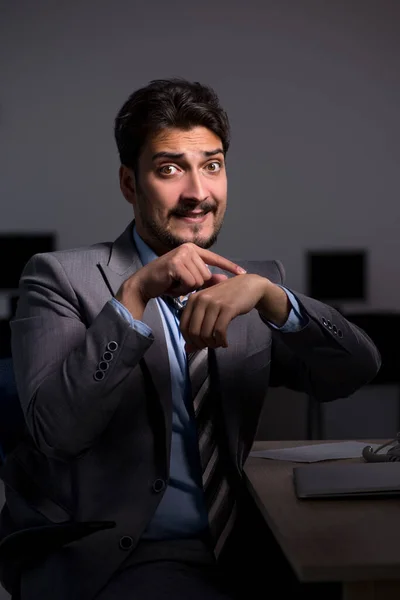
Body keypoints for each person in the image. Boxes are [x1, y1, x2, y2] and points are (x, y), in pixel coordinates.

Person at [0, 78, 380, 600]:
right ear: (130, 184)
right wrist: (132, 298)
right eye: (169, 169)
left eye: (212, 165)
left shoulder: (251, 284)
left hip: (249, 547)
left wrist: (274, 298)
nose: (198, 192)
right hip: (119, 559)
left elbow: (356, 371)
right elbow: (58, 432)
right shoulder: (60, 278)